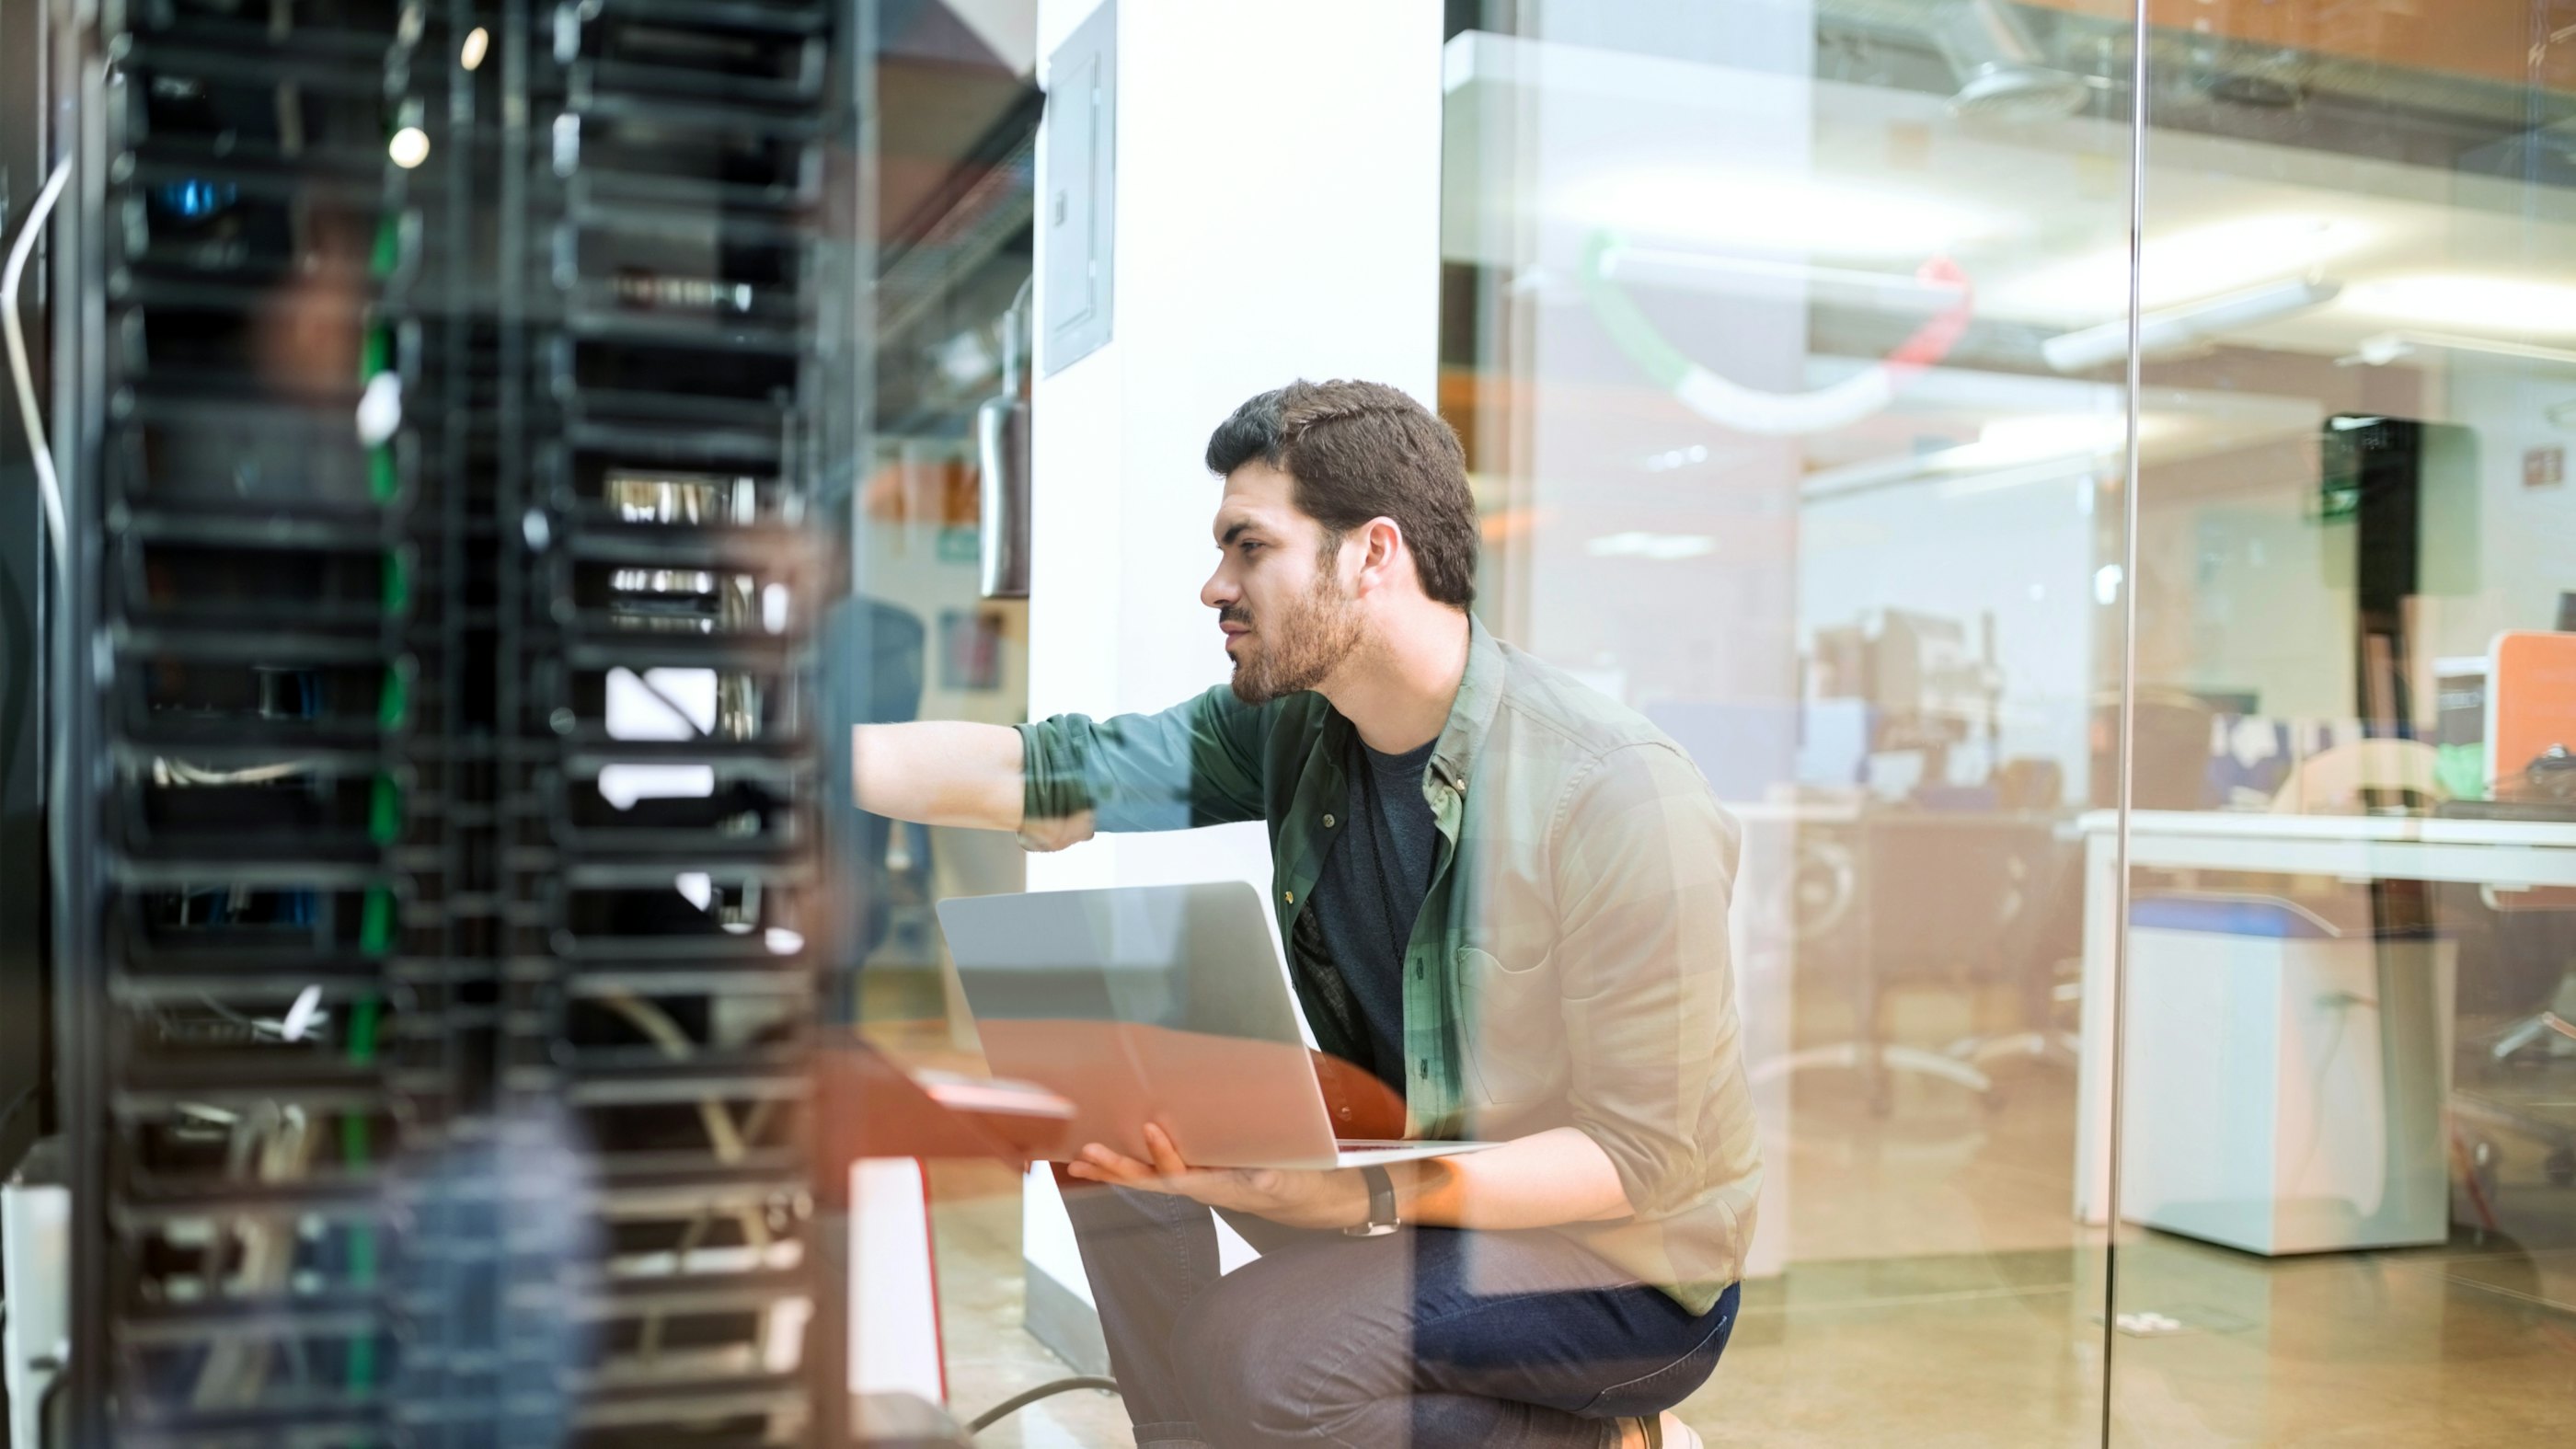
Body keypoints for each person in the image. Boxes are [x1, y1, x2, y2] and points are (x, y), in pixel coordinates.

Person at [853, 379, 1760, 1449]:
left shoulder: (1615, 791)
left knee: (1262, 1352)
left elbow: (1638, 1160)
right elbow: (1050, 769)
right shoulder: (1291, 729)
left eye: (1249, 548)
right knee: (1112, 1138)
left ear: (1372, 553)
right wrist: (784, 759)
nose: (1213, 586)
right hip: (1425, 1177)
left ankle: (1610, 1439)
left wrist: (1356, 1201)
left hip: (1624, 1265)